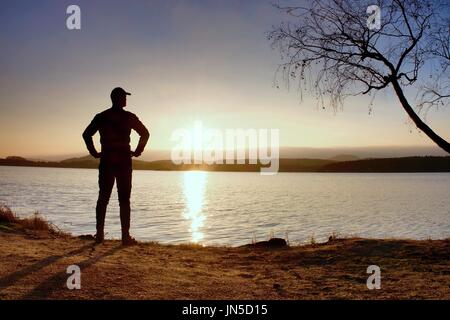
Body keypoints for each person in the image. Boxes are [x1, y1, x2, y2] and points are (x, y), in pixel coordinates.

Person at [82, 87, 149, 245]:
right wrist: (138, 151)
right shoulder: (129, 117)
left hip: (107, 161)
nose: (126, 100)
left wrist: (94, 152)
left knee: (103, 198)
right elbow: (145, 133)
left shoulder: (101, 116)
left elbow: (86, 134)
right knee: (124, 199)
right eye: (124, 97)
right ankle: (125, 236)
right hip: (124, 162)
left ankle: (100, 235)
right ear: (117, 98)